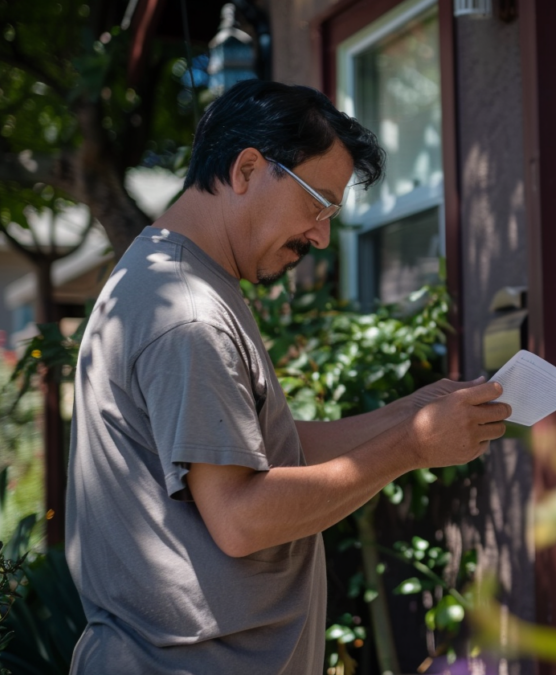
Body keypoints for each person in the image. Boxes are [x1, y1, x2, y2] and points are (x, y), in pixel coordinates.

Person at [65, 80, 510, 674]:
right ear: (248, 169)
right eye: (316, 203)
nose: (321, 235)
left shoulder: (176, 280)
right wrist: (411, 446)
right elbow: (241, 517)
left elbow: (265, 450)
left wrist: (412, 411)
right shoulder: (188, 312)